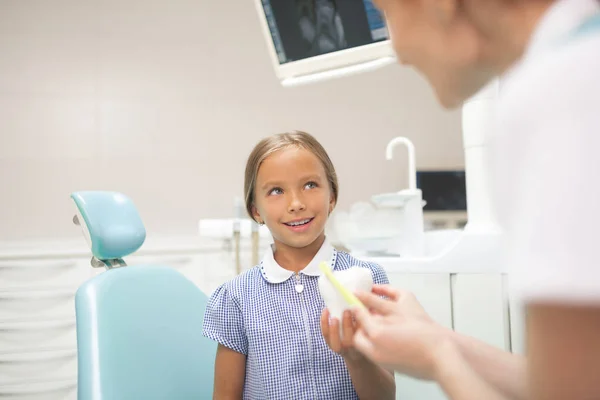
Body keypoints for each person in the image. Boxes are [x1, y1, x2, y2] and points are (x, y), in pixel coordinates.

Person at [350, 0, 600, 399]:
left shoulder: (560, 93)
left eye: (385, 13)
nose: (396, 50)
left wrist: (436, 357)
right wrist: (437, 338)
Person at [202, 131, 395, 399]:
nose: (296, 204)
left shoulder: (367, 280)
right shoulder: (236, 297)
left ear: (332, 197)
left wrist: (355, 356)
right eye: (276, 191)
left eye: (310, 185)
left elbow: (384, 397)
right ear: (255, 210)